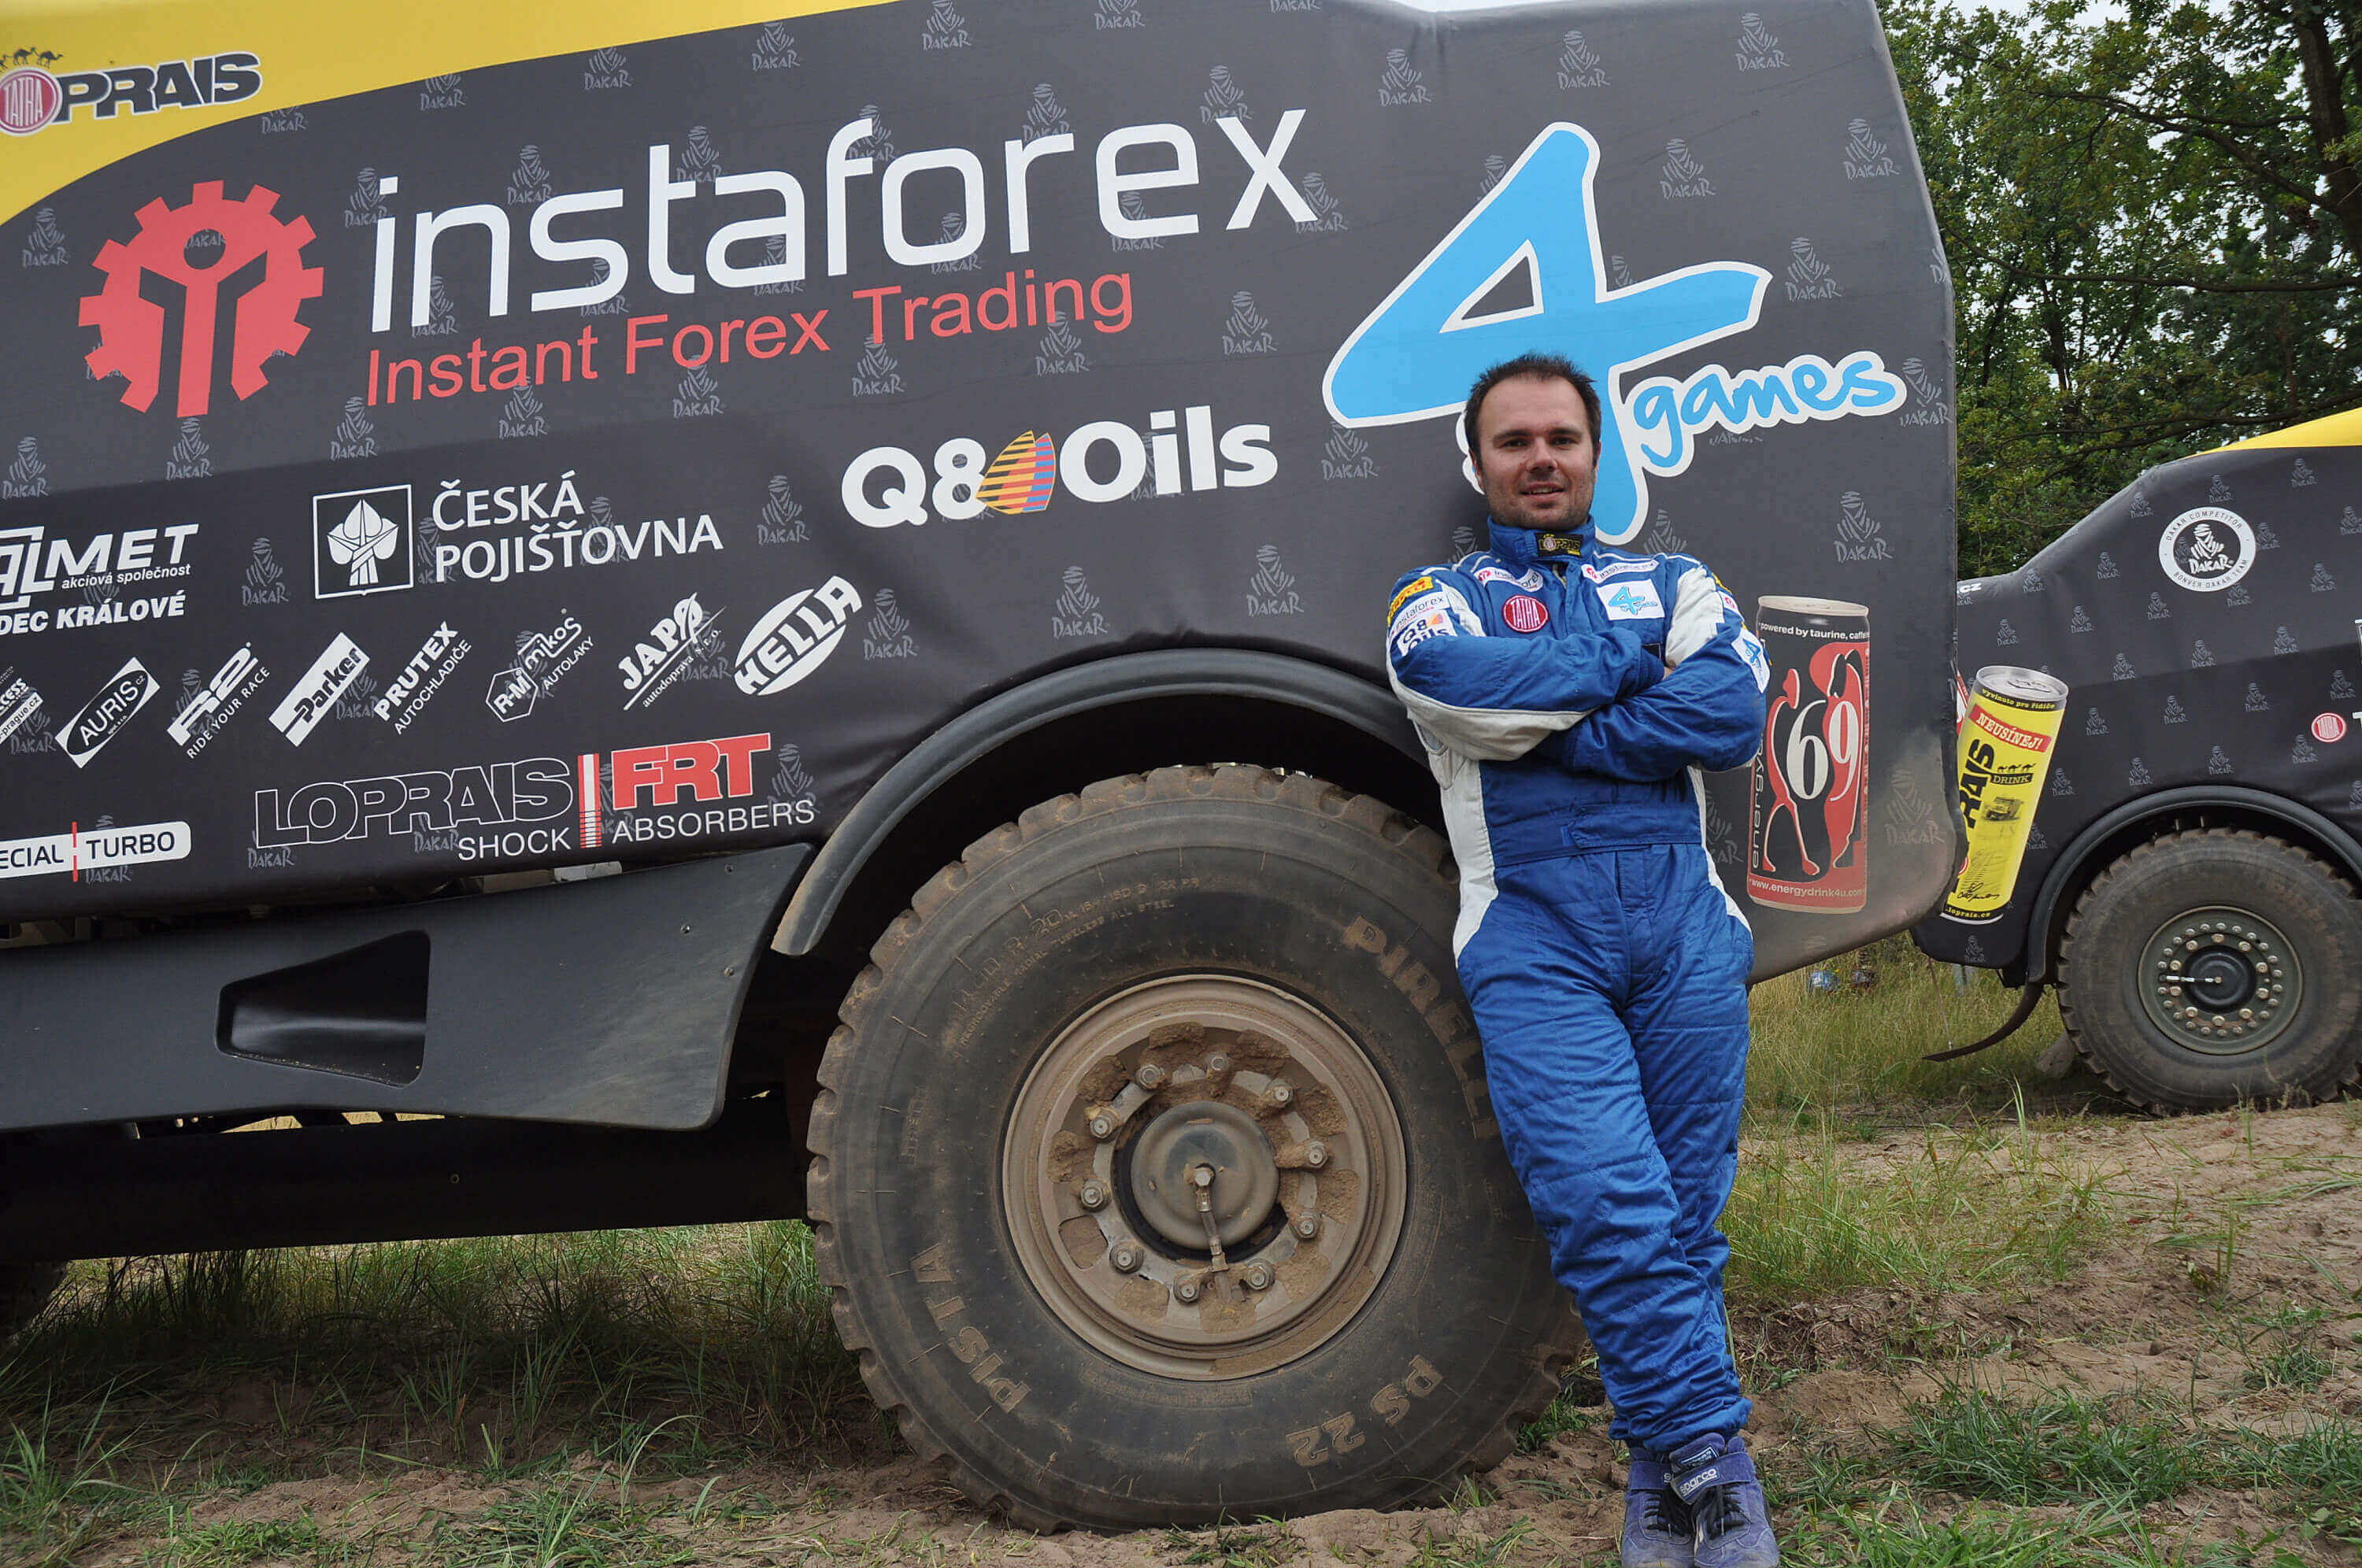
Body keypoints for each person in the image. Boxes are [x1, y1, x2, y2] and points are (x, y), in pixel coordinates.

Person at [1382, 354, 1777, 1568]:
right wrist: (1624, 665)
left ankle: (1661, 1486)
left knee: (1684, 1221)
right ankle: (1717, 1469)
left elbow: (1730, 713)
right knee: (1607, 1205)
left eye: (1562, 437)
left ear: (1598, 454)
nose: (1541, 458)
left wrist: (1549, 730)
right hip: (1532, 936)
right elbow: (1450, 684)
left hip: (1684, 926)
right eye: (1515, 441)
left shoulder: (1679, 580)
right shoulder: (1433, 599)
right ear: (1478, 463)